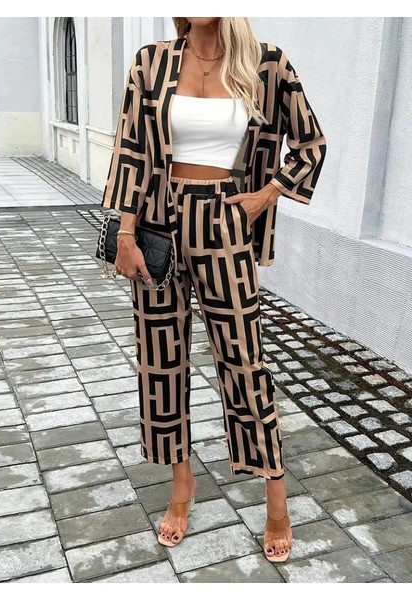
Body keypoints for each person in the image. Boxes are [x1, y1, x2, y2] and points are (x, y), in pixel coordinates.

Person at [102, 17, 326, 563]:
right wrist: (125, 234)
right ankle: (182, 483)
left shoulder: (267, 63)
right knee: (161, 359)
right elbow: (131, 149)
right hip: (156, 225)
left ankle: (276, 493)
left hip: (224, 219)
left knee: (244, 360)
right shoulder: (151, 61)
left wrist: (265, 196)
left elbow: (310, 145)